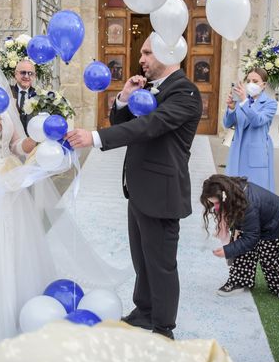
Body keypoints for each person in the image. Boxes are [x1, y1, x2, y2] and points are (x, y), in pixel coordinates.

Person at [0, 18, 127, 359]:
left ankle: (18, 308)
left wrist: (42, 146)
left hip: (6, 182)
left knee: (12, 247)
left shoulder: (2, 106)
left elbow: (17, 143)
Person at [66, 33, 203, 339]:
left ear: (169, 54)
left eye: (147, 53)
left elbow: (149, 126)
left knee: (161, 264)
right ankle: (144, 311)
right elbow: (123, 123)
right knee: (142, 258)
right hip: (140, 189)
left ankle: (163, 328)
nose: (140, 59)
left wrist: (94, 137)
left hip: (163, 192)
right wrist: (124, 98)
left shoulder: (185, 93)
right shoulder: (151, 88)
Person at [200, 174, 279, 298]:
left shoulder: (248, 203)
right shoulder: (235, 192)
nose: (215, 207)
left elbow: (251, 237)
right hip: (263, 221)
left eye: (217, 203)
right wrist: (237, 230)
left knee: (269, 258)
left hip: (278, 224)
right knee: (242, 247)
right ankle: (239, 281)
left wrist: (227, 250)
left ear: (225, 196)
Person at [223, 68, 277, 191]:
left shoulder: (270, 104)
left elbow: (257, 121)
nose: (251, 84)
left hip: (255, 153)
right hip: (237, 151)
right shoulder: (240, 101)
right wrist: (231, 108)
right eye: (248, 80)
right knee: (234, 192)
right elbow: (227, 124)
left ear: (263, 85)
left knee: (255, 192)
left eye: (255, 81)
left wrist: (244, 102)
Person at [9, 59, 37, 133]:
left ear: (34, 76)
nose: (26, 76)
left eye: (30, 73)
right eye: (23, 72)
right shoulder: (8, 93)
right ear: (15, 74)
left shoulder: (39, 96)